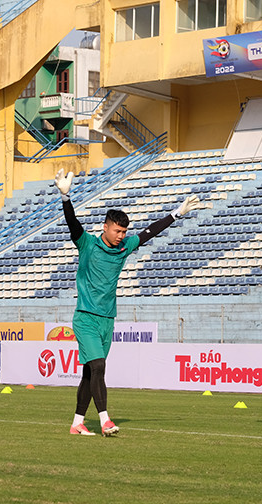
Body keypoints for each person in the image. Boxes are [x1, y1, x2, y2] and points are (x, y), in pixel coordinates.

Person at [57, 169, 198, 436]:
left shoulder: (124, 247)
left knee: (90, 373)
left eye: (124, 231)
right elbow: (73, 224)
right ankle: (105, 420)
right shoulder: (87, 244)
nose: (122, 235)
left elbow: (149, 233)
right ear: (105, 227)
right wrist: (65, 197)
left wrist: (176, 214)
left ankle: (77, 423)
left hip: (107, 319)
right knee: (98, 366)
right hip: (86, 316)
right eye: (118, 230)